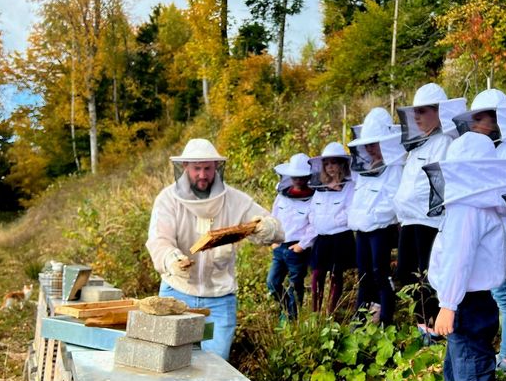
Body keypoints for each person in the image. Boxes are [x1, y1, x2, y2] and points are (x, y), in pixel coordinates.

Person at [409, 132, 506, 381]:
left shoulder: (470, 208)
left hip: (467, 305)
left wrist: (449, 305)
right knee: (456, 376)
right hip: (470, 304)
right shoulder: (476, 204)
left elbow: (459, 260)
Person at [146, 138, 283, 360]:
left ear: (216, 168)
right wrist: (171, 260)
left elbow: (275, 228)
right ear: (184, 168)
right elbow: (159, 239)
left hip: (220, 298)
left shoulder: (235, 200)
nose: (202, 174)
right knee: (170, 363)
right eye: (197, 168)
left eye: (207, 168)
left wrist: (267, 227)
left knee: (216, 366)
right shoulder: (167, 200)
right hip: (176, 292)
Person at [453, 88, 506, 371]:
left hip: (501, 235)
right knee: (498, 294)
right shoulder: (493, 148)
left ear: (499, 119)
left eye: (485, 118)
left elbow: (503, 198)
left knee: (504, 296)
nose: (478, 124)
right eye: (476, 118)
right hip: (493, 235)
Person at [394, 83, 466, 335]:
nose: (417, 117)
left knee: (429, 277)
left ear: (439, 112)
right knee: (409, 275)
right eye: (415, 112)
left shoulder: (446, 142)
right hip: (410, 220)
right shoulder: (419, 146)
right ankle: (422, 326)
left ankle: (435, 330)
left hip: (432, 223)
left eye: (423, 111)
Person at [347, 107, 405, 325]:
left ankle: (386, 322)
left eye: (374, 144)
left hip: (380, 231)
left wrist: (372, 216)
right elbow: (358, 199)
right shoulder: (365, 168)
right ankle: (360, 320)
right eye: (367, 145)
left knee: (380, 275)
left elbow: (394, 202)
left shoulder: (395, 168)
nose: (369, 149)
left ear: (386, 142)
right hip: (361, 231)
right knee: (363, 276)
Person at [307, 142, 355, 314]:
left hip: (340, 238)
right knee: (317, 274)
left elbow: (350, 211)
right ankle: (315, 312)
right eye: (327, 164)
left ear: (342, 164)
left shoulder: (349, 186)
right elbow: (312, 211)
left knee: (336, 275)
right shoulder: (320, 187)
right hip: (322, 239)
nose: (330, 167)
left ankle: (330, 313)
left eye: (333, 163)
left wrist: (331, 221)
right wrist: (319, 222)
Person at [267, 153, 315, 320]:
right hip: (280, 246)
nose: (298, 180)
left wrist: (302, 245)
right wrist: (273, 240)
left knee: (295, 285)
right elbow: (273, 217)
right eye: (295, 177)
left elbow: (314, 225)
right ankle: (286, 308)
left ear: (308, 176)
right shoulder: (282, 195)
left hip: (298, 249)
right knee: (272, 282)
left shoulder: (313, 198)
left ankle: (291, 318)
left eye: (302, 177)